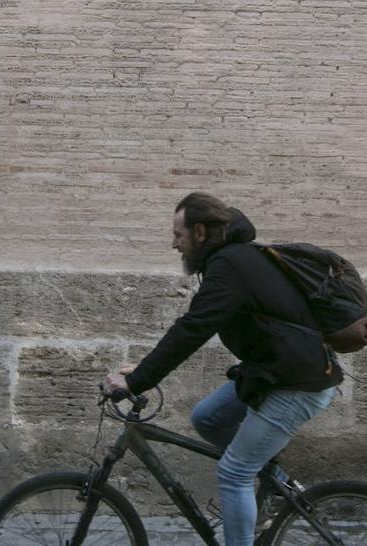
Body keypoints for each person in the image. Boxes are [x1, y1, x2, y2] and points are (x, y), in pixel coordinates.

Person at [102, 193, 341, 546]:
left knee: (233, 472)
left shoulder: (231, 265)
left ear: (199, 232)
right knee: (207, 418)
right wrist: (144, 368)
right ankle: (271, 479)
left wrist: (138, 381)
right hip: (275, 373)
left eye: (178, 235)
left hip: (298, 383)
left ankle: (254, 484)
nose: (174, 244)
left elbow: (193, 328)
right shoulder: (230, 262)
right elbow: (196, 327)